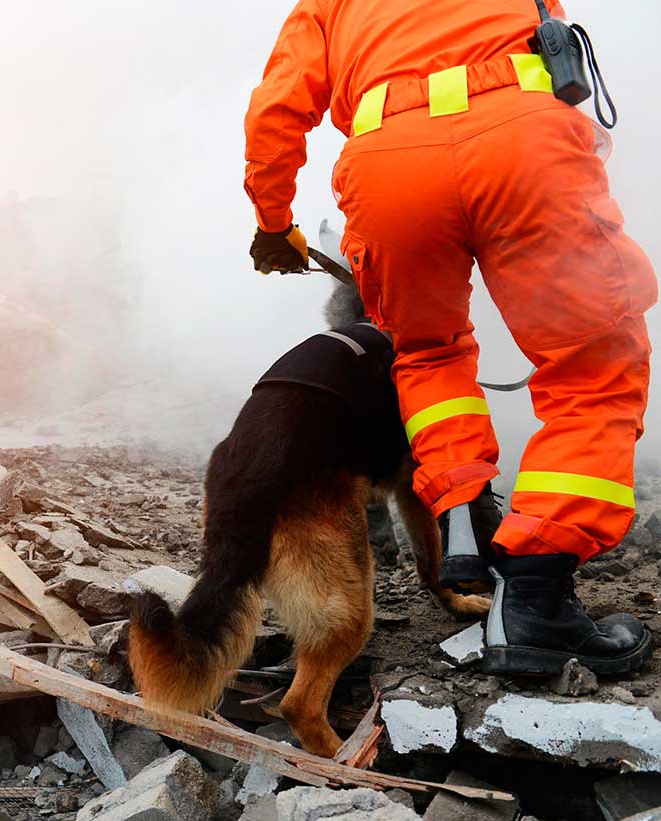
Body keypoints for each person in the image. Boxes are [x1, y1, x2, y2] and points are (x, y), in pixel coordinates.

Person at [244, 0, 657, 675]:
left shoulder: (327, 5)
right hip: (521, 145)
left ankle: (463, 521)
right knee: (593, 366)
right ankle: (537, 599)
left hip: (389, 166)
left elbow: (276, 109)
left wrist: (272, 220)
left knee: (428, 354)